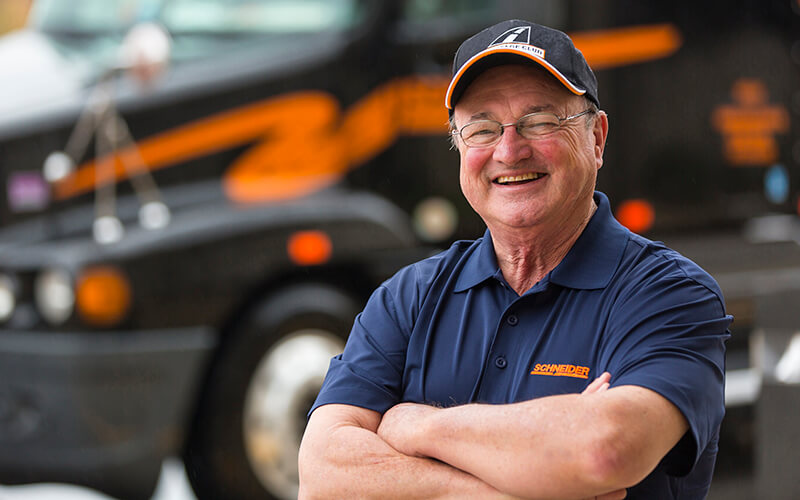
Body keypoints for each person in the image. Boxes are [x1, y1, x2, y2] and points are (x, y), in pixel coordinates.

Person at [298, 19, 731, 500]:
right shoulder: (410, 297)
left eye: (540, 122)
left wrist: (415, 427)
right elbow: (322, 474)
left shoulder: (669, 295)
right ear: (460, 148)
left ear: (597, 138)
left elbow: (604, 450)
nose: (509, 150)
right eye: (482, 129)